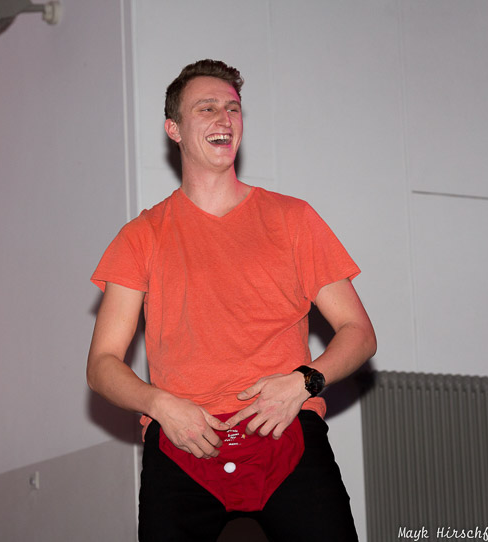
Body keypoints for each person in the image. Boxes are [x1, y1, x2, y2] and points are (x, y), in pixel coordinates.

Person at [87, 59, 376, 541]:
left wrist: (302, 383)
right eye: (207, 108)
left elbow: (359, 332)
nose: (225, 118)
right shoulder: (141, 236)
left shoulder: (293, 219)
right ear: (173, 129)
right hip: (183, 440)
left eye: (233, 108)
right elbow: (101, 364)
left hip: (287, 431)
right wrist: (160, 404)